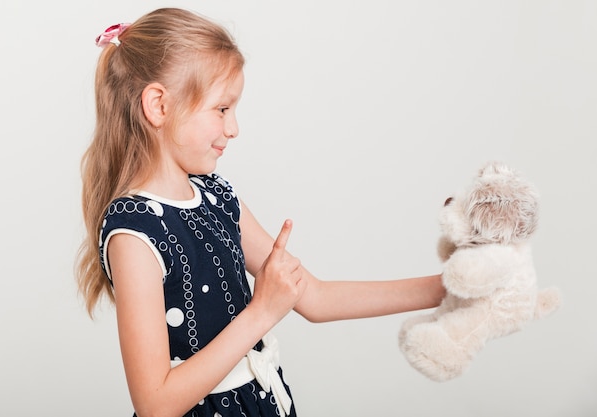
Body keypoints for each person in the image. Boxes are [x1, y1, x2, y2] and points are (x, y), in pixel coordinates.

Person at [76, 7, 445, 417]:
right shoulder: (133, 234)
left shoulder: (216, 197)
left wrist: (447, 288)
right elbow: (155, 404)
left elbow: (315, 298)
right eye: (221, 109)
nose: (234, 128)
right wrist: (262, 313)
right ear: (159, 105)